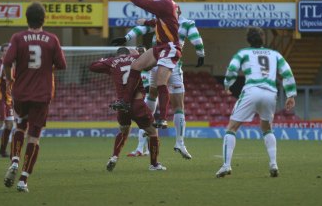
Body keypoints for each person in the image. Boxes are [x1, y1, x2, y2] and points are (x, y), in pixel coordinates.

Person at [112, 13, 205, 159]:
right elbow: (196, 40)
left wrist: (126, 38)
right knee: (179, 106)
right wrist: (201, 54)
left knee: (151, 97)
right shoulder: (187, 23)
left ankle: (141, 145)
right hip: (173, 64)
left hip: (156, 63)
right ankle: (179, 142)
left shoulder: (160, 22)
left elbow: (141, 29)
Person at [216, 27, 296, 178]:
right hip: (270, 92)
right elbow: (287, 72)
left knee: (231, 128)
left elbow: (232, 69)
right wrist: (290, 94)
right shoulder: (275, 54)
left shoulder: (243, 53)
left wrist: (227, 85)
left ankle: (226, 165)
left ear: (248, 40)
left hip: (252, 90)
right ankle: (273, 164)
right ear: (262, 39)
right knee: (267, 128)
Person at [3, 2, 67, 192]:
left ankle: (14, 160)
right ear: (44, 19)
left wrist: (9, 79)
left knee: (19, 127)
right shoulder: (52, 39)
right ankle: (23, 180)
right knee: (34, 138)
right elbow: (62, 65)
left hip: (21, 93)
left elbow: (7, 62)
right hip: (42, 95)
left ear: (26, 19)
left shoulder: (18, 37)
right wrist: (47, 69)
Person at [110, 0, 181, 129]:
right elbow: (165, 21)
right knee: (136, 65)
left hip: (170, 48)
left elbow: (137, 1)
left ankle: (162, 118)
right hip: (161, 46)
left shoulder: (163, 4)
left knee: (161, 83)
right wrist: (148, 22)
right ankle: (125, 101)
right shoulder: (171, 4)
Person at [89, 47, 166, 171]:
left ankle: (114, 156)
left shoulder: (112, 62)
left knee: (124, 132)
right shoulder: (136, 58)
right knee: (153, 132)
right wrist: (139, 54)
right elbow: (154, 60)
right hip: (137, 103)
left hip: (122, 106)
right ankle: (154, 164)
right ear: (129, 53)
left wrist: (104, 60)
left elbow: (92, 66)